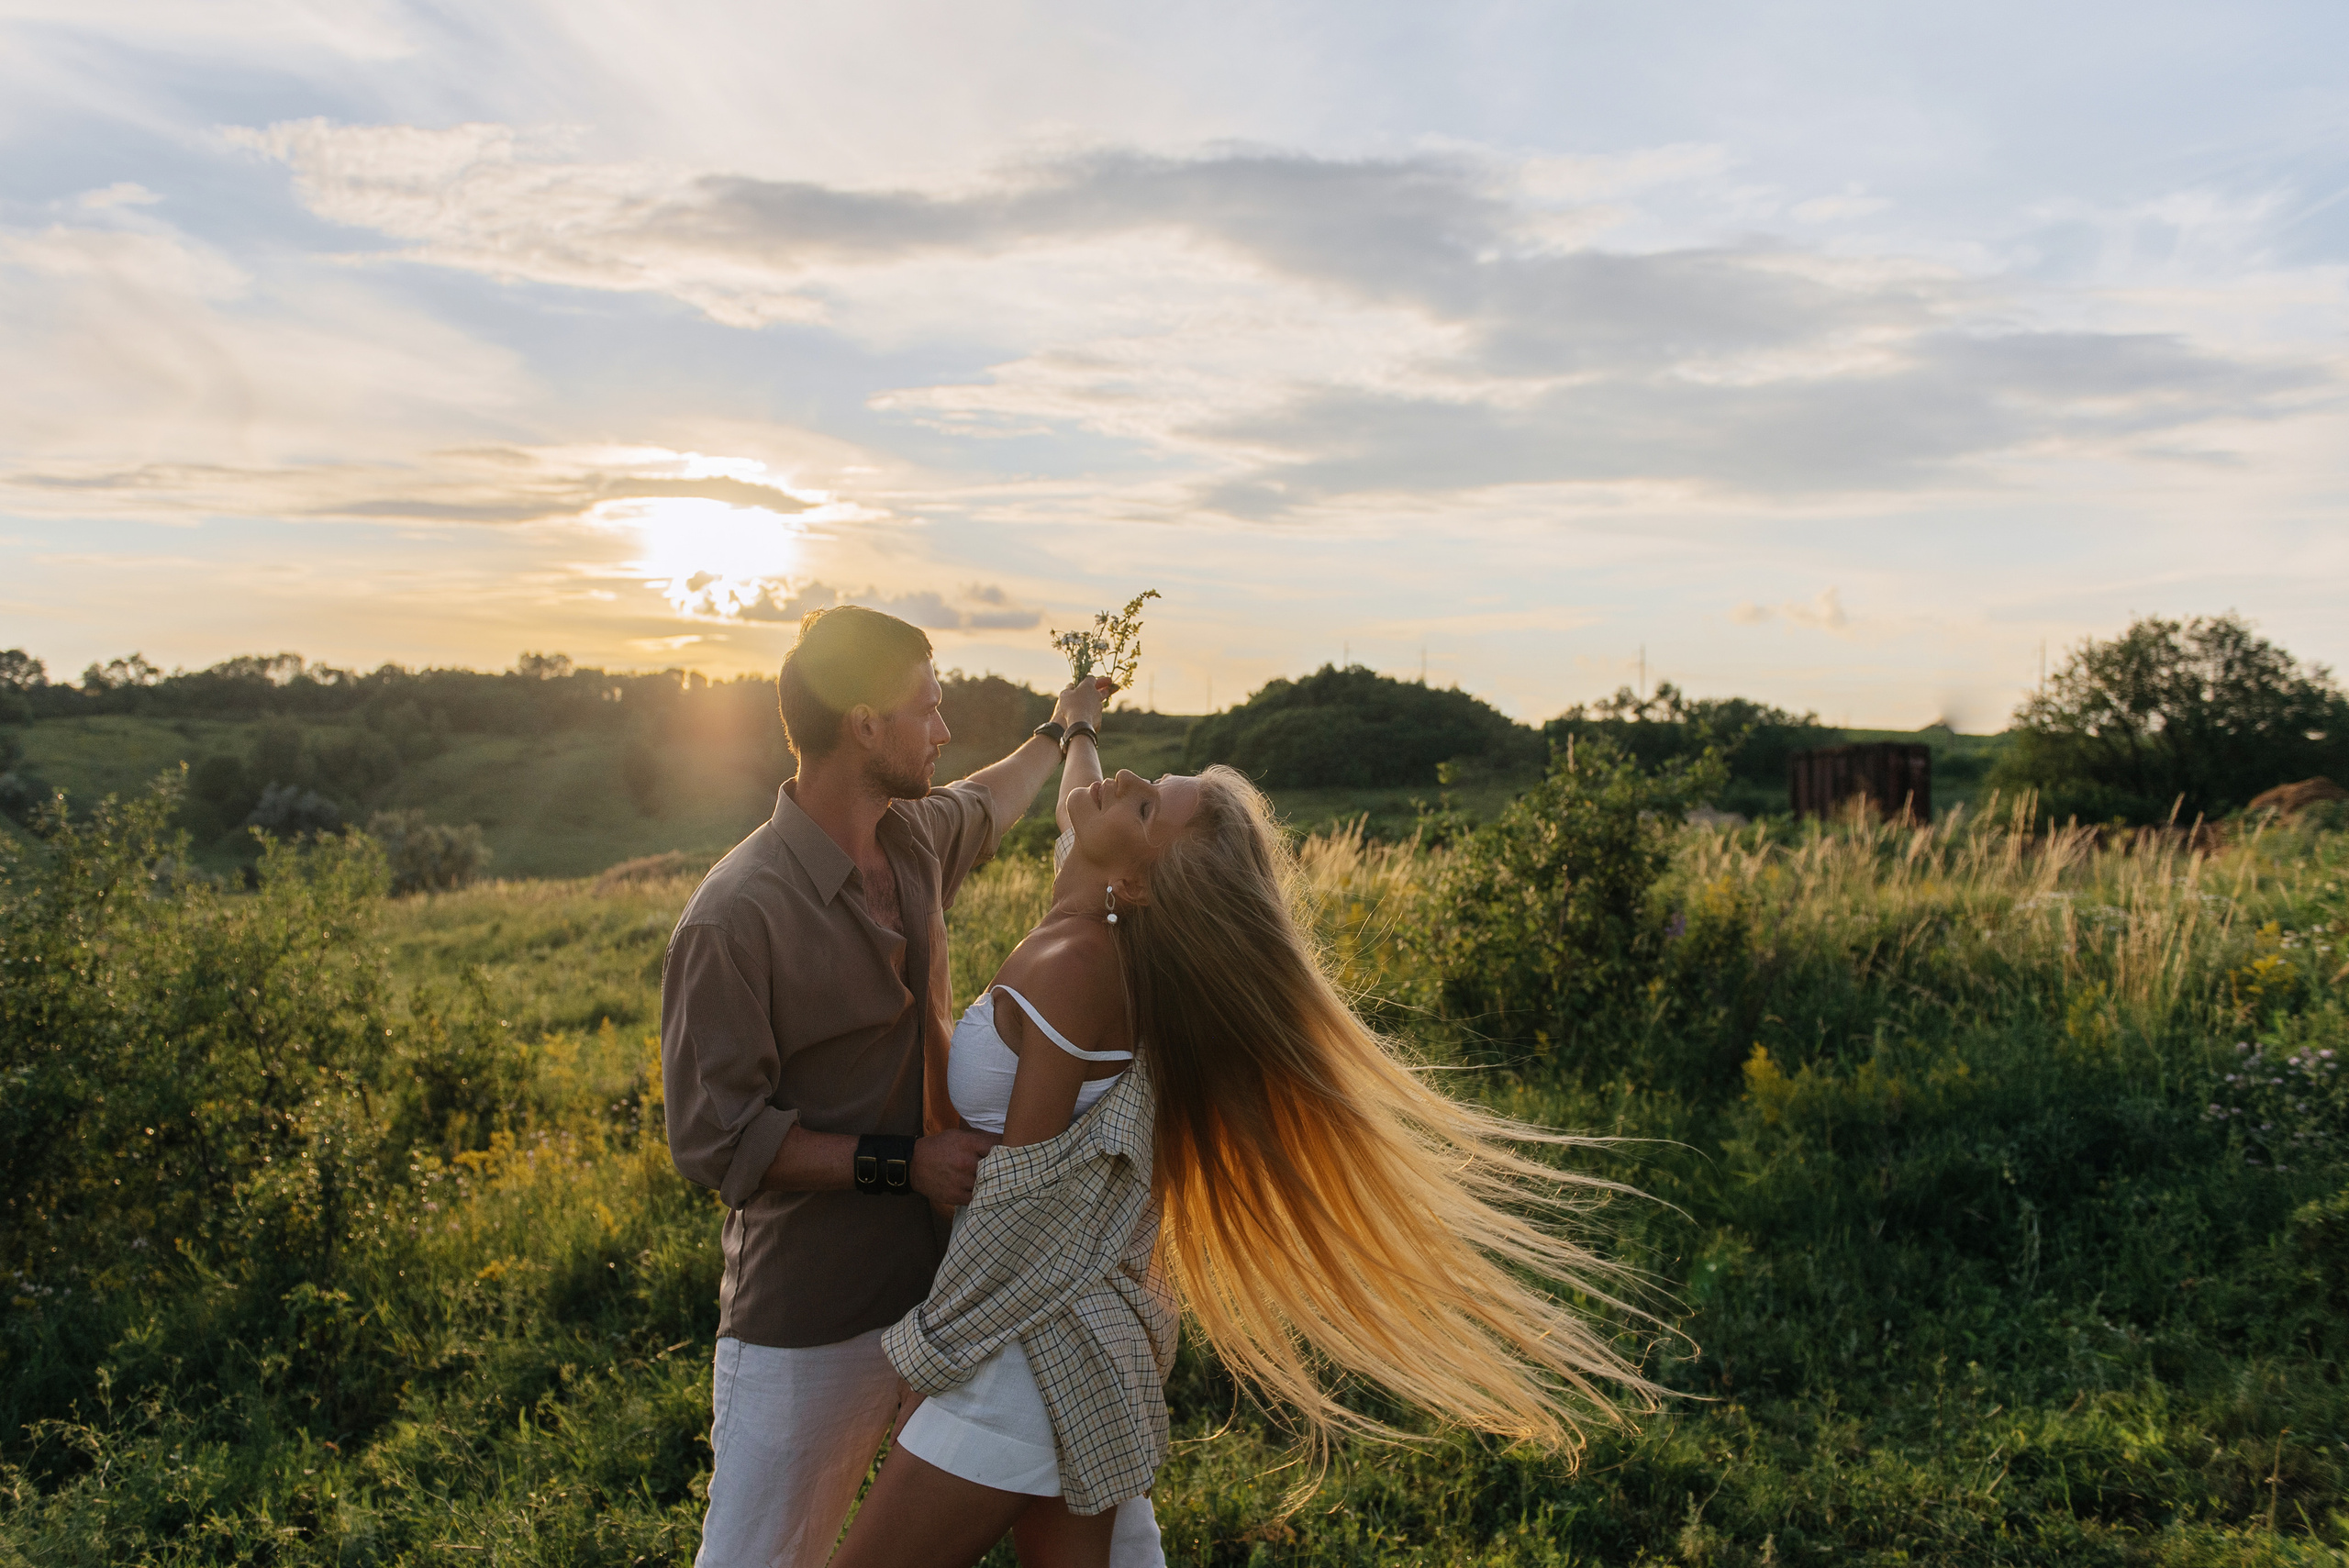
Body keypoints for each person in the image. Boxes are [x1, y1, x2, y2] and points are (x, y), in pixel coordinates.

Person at [832, 762, 1662, 1568]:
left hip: (1025, 1356)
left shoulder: (1080, 965)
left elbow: (1022, 1206)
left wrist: (931, 1359)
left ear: (1141, 884)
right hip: (1069, 1342)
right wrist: (1075, 721)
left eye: (1150, 806)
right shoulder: (1093, 918)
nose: (1126, 782)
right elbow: (1079, 809)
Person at [659, 605, 1161, 1567]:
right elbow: (717, 1141)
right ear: (862, 725)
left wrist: (1064, 726)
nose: (941, 728)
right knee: (763, 1556)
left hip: (961, 1286)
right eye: (926, 710)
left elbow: (997, 795)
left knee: (1117, 1528)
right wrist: (908, 1163)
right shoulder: (732, 918)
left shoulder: (916, 836)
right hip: (814, 1317)